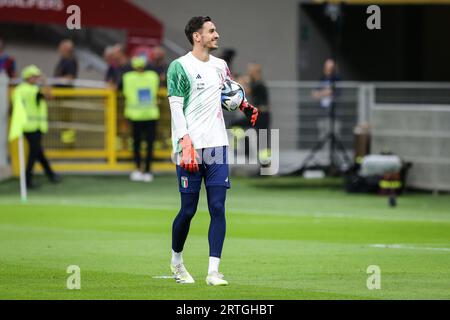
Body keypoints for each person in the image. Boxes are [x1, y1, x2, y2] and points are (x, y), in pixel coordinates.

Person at [167, 16, 258, 286]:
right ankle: (176, 261)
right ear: (197, 36)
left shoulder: (221, 66)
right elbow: (175, 107)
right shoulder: (179, 67)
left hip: (217, 145)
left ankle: (213, 271)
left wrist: (246, 106)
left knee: (218, 207)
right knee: (188, 211)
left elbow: (228, 93)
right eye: (211, 31)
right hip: (190, 147)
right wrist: (185, 142)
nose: (217, 35)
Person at [12, 65, 60, 188]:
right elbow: (49, 96)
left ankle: (51, 175)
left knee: (38, 153)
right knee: (34, 154)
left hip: (27, 125)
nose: (37, 79)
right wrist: (45, 83)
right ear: (28, 77)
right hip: (33, 126)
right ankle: (27, 181)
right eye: (35, 77)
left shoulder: (19, 89)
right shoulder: (31, 90)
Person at [122, 56, 160, 182]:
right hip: (151, 115)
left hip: (135, 116)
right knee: (149, 145)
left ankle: (138, 169)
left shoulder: (128, 77)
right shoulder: (153, 76)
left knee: (136, 144)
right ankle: (148, 171)